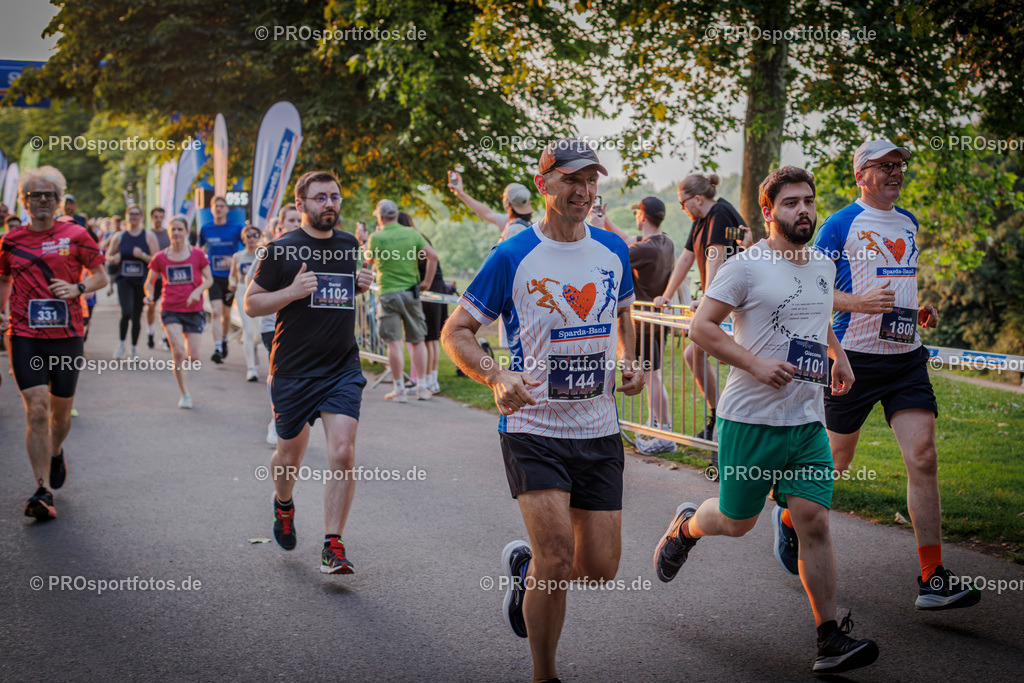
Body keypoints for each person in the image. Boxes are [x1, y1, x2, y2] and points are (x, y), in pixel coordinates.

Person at [654, 166, 879, 675]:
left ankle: (828, 638)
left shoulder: (822, 263)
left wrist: (836, 352)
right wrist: (755, 363)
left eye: (809, 201)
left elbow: (815, 313)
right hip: (750, 419)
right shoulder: (746, 267)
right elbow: (701, 328)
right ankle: (685, 529)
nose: (804, 210)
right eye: (792, 203)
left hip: (804, 420)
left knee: (815, 521)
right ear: (769, 210)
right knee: (737, 523)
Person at [441, 138, 644, 683]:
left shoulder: (612, 251)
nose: (583, 190)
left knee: (600, 569)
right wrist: (494, 374)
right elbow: (455, 330)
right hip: (533, 427)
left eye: (590, 180)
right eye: (571, 180)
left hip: (599, 428)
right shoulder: (511, 255)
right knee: (556, 558)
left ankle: (524, 570)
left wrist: (632, 362)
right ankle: (544, 674)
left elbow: (624, 317)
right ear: (543, 185)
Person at [811, 139, 980, 611]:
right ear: (861, 174)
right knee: (836, 464)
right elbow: (812, 290)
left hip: (905, 356)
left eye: (900, 165)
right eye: (884, 166)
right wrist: (858, 306)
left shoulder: (908, 223)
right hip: (853, 358)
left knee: (923, 456)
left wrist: (914, 308)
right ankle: (791, 522)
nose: (896, 172)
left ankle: (932, 576)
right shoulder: (839, 224)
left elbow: (895, 281)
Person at [245, 171, 373, 574]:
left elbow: (334, 294)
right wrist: (290, 293)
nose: (330, 204)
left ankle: (332, 544)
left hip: (340, 368)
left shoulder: (349, 244)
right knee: (288, 456)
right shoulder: (279, 250)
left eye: (335, 197)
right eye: (320, 198)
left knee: (343, 451)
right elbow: (251, 304)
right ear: (300, 205)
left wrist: (359, 285)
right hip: (293, 371)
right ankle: (283, 504)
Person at [0, 166, 108, 521]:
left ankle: (56, 449)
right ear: (24, 201)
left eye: (49, 195)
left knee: (60, 415)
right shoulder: (10, 241)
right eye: (35, 195)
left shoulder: (76, 234)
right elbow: (4, 278)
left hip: (66, 336)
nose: (42, 200)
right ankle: (42, 489)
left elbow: (101, 276)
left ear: (59, 200)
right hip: (24, 333)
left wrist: (77, 288)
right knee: (37, 407)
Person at [651, 174, 751, 441]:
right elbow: (685, 259)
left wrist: (708, 298)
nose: (682, 210)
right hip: (722, 302)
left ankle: (725, 425)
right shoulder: (701, 220)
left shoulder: (719, 212)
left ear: (697, 199)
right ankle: (718, 414)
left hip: (739, 303)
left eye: (683, 204)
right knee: (692, 355)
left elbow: (715, 258)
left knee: (723, 362)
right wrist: (666, 295)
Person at [598, 197, 677, 454]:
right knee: (655, 375)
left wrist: (597, 226)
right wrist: (607, 220)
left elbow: (615, 251)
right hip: (655, 322)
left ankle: (663, 432)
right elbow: (628, 240)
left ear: (642, 216)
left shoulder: (644, 249)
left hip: (642, 323)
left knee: (651, 378)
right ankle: (657, 425)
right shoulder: (665, 241)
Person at [364, 199, 438, 402]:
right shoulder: (412, 233)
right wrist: (427, 282)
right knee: (417, 340)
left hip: (388, 293)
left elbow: (368, 260)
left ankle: (399, 390)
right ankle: (422, 388)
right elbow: (433, 256)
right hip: (411, 292)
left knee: (394, 343)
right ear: (396, 214)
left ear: (380, 217)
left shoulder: (376, 237)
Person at [144, 216, 213, 408]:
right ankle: (185, 394)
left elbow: (209, 279)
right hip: (170, 309)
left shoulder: (197, 254)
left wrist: (197, 291)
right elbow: (149, 283)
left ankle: (185, 375)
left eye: (180, 229)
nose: (176, 233)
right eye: (173, 229)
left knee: (194, 357)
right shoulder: (160, 257)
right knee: (179, 352)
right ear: (169, 232)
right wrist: (149, 295)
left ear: (186, 232)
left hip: (193, 309)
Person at [260, 204, 302, 446]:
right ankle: (276, 420)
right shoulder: (273, 250)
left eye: (299, 220)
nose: (297, 224)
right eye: (292, 220)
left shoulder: (311, 250)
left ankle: (289, 419)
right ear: (281, 225)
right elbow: (252, 284)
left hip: (299, 324)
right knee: (277, 374)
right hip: (271, 324)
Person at [398, 211, 447, 394]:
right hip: (439, 287)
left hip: (430, 290)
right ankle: (432, 381)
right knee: (432, 338)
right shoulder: (420, 236)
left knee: (427, 337)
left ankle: (425, 382)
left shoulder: (412, 239)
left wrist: (425, 283)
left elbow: (429, 259)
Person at [105, 204, 159, 359]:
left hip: (141, 281)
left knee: (136, 315)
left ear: (141, 217)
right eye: (131, 214)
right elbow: (108, 255)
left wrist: (142, 255)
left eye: (137, 214)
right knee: (126, 312)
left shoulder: (148, 236)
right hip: (124, 281)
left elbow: (156, 261)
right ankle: (121, 344)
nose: (134, 217)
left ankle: (134, 348)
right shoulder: (119, 236)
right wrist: (113, 258)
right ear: (127, 216)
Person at [198, 195, 244, 363]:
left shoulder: (236, 228)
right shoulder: (206, 229)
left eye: (221, 206)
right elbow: (200, 250)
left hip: (230, 278)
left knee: (226, 313)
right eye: (215, 206)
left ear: (226, 209)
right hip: (213, 276)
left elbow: (247, 250)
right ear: (211, 209)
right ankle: (217, 347)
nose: (218, 208)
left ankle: (224, 339)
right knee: (216, 311)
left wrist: (233, 260)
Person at [447, 172, 534, 241]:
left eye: (502, 197)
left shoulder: (514, 229)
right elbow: (487, 213)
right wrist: (460, 193)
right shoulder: (520, 223)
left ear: (507, 203)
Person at [229, 224, 264, 381]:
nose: (252, 239)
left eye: (255, 235)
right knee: (249, 330)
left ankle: (251, 343)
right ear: (243, 239)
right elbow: (232, 275)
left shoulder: (264, 254)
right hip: (243, 291)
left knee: (259, 334)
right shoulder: (238, 256)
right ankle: (251, 368)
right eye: (248, 236)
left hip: (259, 292)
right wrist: (232, 283)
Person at [145, 207, 169, 350]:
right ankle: (150, 331)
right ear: (151, 218)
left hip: (166, 277)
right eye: (156, 217)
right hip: (152, 276)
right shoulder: (147, 235)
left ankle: (165, 337)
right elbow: (149, 258)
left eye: (161, 217)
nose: (158, 219)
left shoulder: (168, 235)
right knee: (151, 306)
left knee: (164, 307)